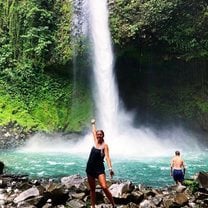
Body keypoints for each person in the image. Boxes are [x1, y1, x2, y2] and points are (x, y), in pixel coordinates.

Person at [86, 119, 115, 208]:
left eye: (100, 134)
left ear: (103, 135)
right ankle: (93, 206)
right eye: (98, 135)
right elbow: (94, 131)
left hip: (99, 169)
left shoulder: (105, 146)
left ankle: (114, 205)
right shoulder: (95, 141)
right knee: (92, 189)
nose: (98, 136)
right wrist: (93, 123)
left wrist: (110, 168)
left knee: (104, 187)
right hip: (90, 168)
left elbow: (107, 157)